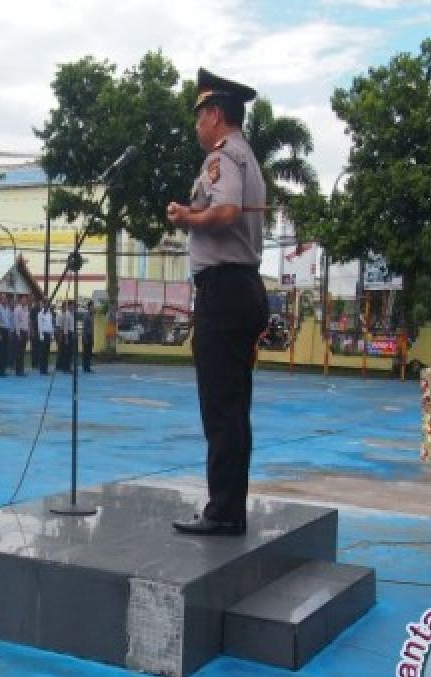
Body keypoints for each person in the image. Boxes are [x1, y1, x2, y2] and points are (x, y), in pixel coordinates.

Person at [166, 68, 267, 535]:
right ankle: (229, 507)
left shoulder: (224, 158)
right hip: (241, 287)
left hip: (224, 290)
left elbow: (224, 212)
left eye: (199, 115)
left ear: (215, 115)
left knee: (221, 407)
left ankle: (224, 511)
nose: (196, 127)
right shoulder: (248, 158)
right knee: (232, 406)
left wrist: (188, 215)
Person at [14, 295, 30, 376]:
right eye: (23, 299)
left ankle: (22, 369)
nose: (25, 301)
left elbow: (27, 322)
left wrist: (28, 333)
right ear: (20, 300)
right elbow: (16, 322)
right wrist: (18, 333)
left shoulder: (26, 309)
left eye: (26, 299)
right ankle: (18, 370)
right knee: (18, 352)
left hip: (25, 331)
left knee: (23, 352)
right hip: (19, 332)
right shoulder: (17, 309)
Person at [36, 302, 54, 374]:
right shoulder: (40, 313)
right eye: (45, 304)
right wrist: (41, 335)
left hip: (48, 334)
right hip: (43, 334)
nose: (47, 306)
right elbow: (39, 325)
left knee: (47, 352)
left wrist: (52, 335)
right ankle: (42, 369)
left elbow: (51, 324)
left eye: (48, 305)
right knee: (42, 353)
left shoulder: (50, 313)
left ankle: (45, 369)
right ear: (43, 305)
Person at [82, 300, 96, 373]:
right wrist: (85, 338)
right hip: (86, 336)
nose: (93, 307)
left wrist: (93, 338)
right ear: (89, 307)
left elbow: (92, 328)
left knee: (89, 352)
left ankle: (87, 366)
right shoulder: (86, 315)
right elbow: (84, 328)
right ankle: (85, 367)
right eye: (92, 306)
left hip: (90, 335)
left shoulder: (92, 315)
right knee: (86, 352)